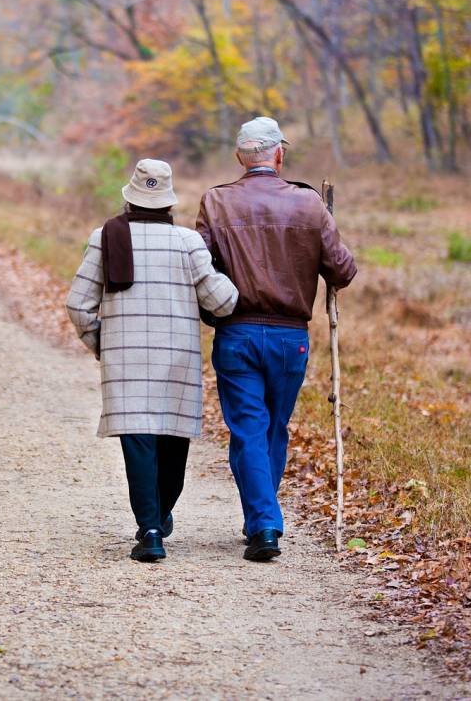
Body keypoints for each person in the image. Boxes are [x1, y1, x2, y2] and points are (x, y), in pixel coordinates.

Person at [197, 117, 357, 562]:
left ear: (239, 158)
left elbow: (198, 265)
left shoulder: (216, 202)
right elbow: (343, 271)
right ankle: (263, 521)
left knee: (249, 428)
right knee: (271, 427)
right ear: (279, 155)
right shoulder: (308, 204)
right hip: (291, 338)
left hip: (237, 331)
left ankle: (262, 521)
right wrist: (324, 227)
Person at [66, 159, 238, 563]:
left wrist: (102, 344)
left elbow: (78, 305)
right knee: (172, 443)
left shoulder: (104, 238)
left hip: (125, 362)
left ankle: (151, 529)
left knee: (138, 442)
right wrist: (229, 277)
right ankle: (159, 516)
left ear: (129, 198)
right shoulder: (188, 243)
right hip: (176, 359)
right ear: (169, 203)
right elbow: (222, 302)